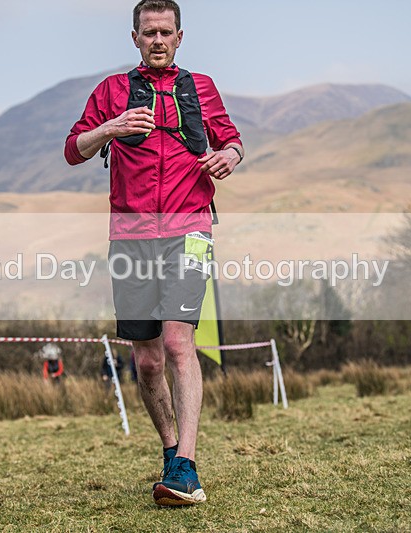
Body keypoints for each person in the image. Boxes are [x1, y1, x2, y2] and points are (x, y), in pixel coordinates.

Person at [65, 0, 243, 506]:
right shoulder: (111, 91)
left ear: (180, 37)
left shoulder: (202, 87)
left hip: (190, 229)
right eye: (149, 33)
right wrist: (110, 129)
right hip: (131, 235)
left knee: (178, 344)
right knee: (146, 361)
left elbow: (233, 142)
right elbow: (73, 149)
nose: (158, 40)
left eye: (166, 32)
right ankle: (170, 452)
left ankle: (186, 468)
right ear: (135, 38)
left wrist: (227, 156)